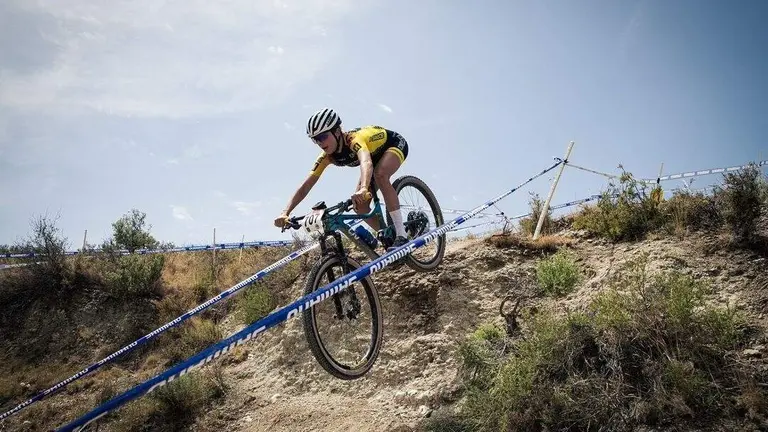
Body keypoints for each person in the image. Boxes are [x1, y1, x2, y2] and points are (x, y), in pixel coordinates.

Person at [273, 108, 410, 251]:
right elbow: (306, 185)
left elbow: (365, 161)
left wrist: (364, 188)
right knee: (360, 207)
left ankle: (402, 235)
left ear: (337, 131)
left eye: (323, 136)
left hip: (392, 144)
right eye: (315, 139)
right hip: (372, 158)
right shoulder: (327, 156)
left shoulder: (353, 140)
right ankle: (390, 235)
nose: (320, 142)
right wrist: (285, 213)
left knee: (380, 175)